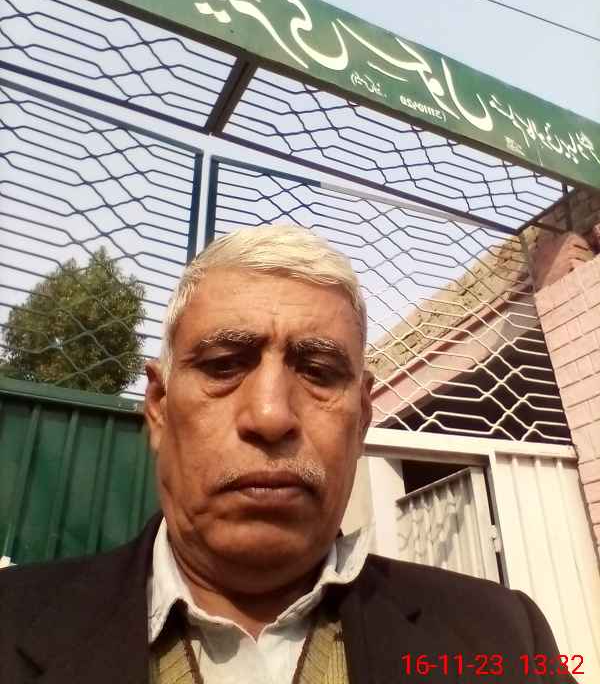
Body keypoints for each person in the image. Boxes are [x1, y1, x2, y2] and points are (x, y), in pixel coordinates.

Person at [0, 225, 574, 684]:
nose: (272, 416)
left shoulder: (503, 641)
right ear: (158, 407)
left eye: (319, 372)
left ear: (362, 418)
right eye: (224, 365)